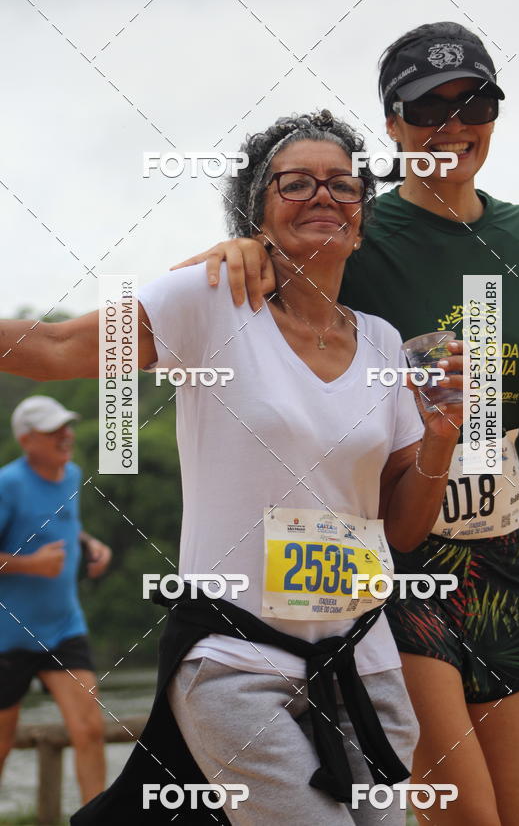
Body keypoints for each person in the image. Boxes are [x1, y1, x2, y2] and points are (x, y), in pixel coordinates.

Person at [176, 22, 519, 825]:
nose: (453, 125)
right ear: (393, 125)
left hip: (506, 563)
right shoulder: (358, 236)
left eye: (473, 102)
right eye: (427, 108)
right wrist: (240, 248)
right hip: (392, 566)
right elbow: (234, 284)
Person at [1, 111, 464, 825]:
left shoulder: (383, 343)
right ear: (257, 215)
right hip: (237, 661)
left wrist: (440, 440)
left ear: (361, 222)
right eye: (296, 183)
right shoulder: (210, 304)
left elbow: (401, 530)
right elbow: (58, 348)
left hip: (364, 663)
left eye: (343, 184)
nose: (323, 195)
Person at [0, 395, 112, 804]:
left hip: (63, 628)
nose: (66, 435)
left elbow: (59, 524)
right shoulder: (8, 484)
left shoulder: (72, 475)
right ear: (26, 440)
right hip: (7, 636)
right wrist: (31, 564)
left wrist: (88, 542)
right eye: (53, 430)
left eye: (66, 426)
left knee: (90, 730)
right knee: (2, 745)